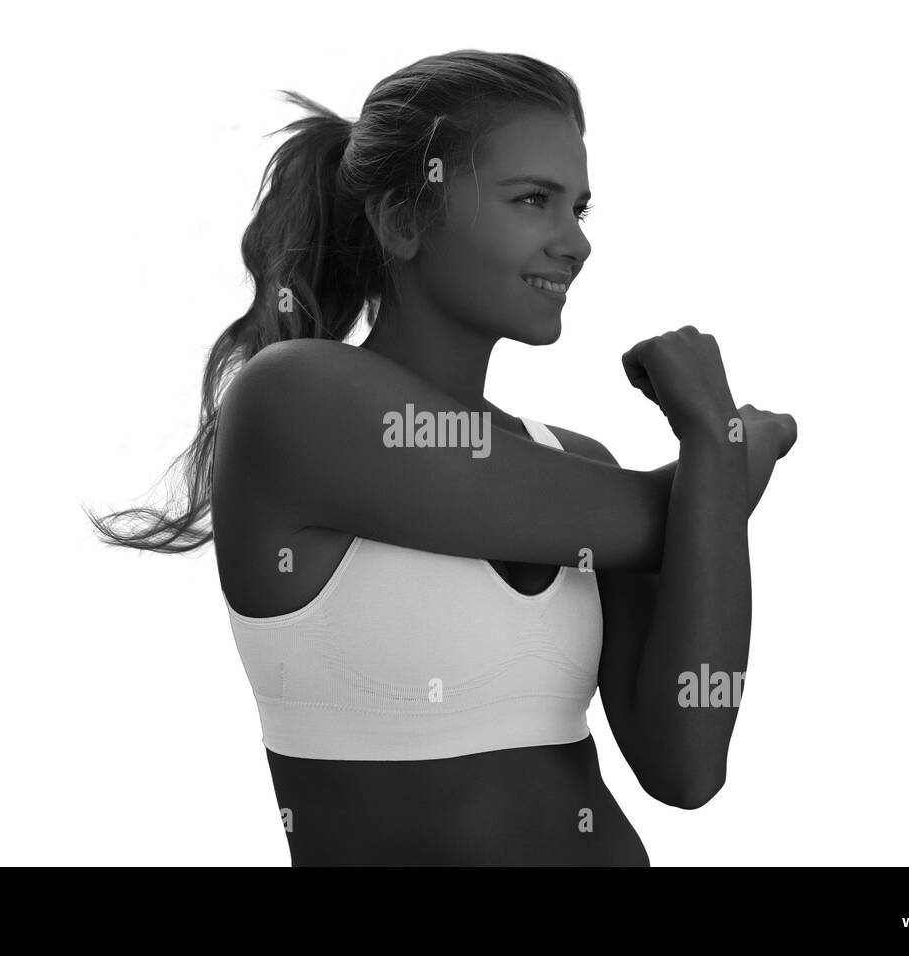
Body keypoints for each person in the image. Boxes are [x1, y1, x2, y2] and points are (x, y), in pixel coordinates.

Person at [87, 49, 797, 866]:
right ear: (400, 220)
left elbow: (687, 765)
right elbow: (665, 517)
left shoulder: (577, 460)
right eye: (533, 200)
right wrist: (726, 445)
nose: (575, 243)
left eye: (580, 210)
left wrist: (715, 448)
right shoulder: (295, 400)